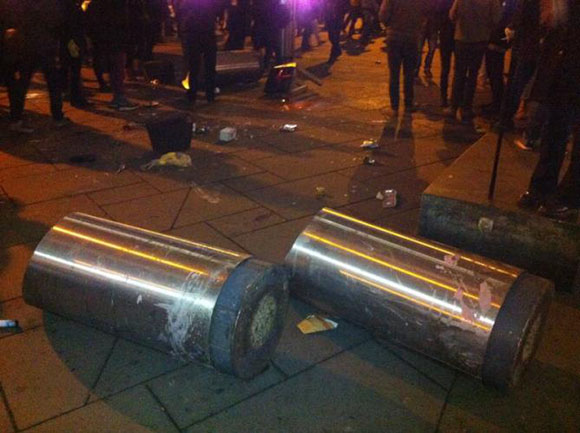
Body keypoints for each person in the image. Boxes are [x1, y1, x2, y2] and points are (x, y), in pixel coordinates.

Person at [518, 0, 580, 216]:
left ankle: (565, 195)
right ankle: (543, 190)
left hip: (568, 64)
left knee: (559, 131)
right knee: (555, 131)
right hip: (564, 67)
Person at [2, 0, 68, 133]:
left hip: (27, 47)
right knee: (53, 83)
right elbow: (57, 22)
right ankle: (57, 117)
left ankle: (16, 118)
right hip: (44, 46)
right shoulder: (49, 5)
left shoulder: (22, 5)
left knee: (22, 85)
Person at [447, 0, 502, 121]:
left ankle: (453, 106)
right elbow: (496, 19)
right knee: (473, 74)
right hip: (480, 39)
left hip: (462, 38)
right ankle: (466, 107)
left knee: (459, 73)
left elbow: (452, 15)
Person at [86, 0, 139, 110]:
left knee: (114, 68)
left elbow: (89, 22)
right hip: (115, 39)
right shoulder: (115, 4)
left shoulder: (95, 4)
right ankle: (119, 98)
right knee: (117, 69)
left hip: (105, 39)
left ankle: (117, 96)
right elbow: (121, 21)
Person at [379, 0, 428, 114]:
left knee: (394, 74)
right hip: (411, 38)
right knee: (409, 74)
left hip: (394, 37)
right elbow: (424, 16)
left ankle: (394, 106)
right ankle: (408, 103)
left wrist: (390, 25)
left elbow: (383, 15)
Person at [179, 0, 225, 104]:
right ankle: (210, 94)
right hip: (207, 32)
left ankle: (192, 95)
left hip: (194, 32)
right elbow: (218, 9)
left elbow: (183, 10)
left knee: (194, 66)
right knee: (209, 65)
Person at [60, 0, 91, 108]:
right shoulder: (73, 8)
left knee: (71, 69)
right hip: (73, 42)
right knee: (75, 70)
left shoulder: (67, 7)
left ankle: (72, 94)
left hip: (69, 41)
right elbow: (76, 26)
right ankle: (76, 98)